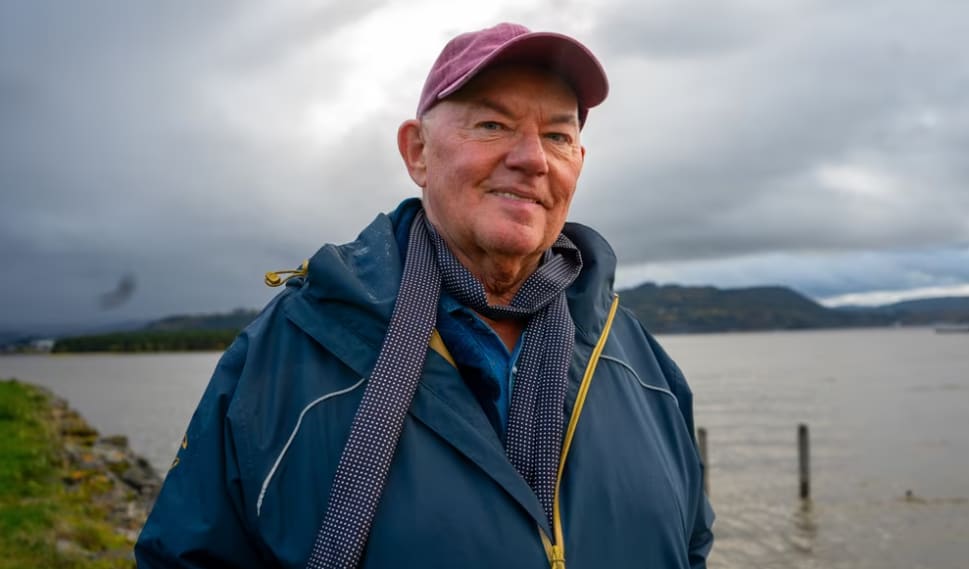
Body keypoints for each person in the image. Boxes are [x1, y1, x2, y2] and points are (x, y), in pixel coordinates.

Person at [135, 22, 714, 569]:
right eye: (492, 125)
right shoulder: (293, 349)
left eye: (558, 136)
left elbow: (691, 544)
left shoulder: (641, 365)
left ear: (577, 165)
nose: (532, 159)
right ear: (418, 152)